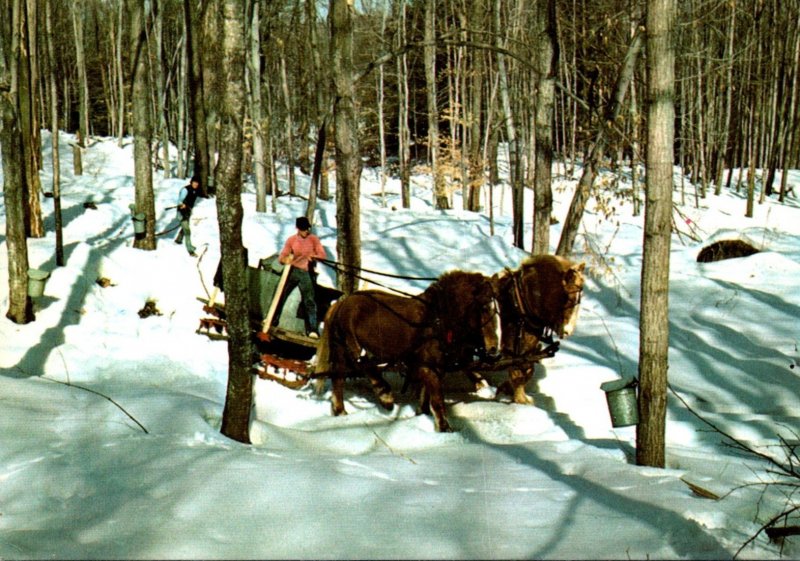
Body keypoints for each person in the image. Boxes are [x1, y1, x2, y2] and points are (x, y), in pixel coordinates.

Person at [274, 216, 327, 338]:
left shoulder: (314, 239)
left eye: (307, 229)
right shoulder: (291, 240)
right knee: (280, 294)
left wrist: (314, 256)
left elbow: (322, 255)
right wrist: (285, 259)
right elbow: (282, 256)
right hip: (292, 271)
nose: (305, 231)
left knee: (309, 300)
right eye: (303, 229)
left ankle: (312, 329)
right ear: (298, 228)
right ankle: (273, 319)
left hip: (306, 272)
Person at [175, 176, 200, 256]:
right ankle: (190, 250)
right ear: (191, 182)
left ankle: (178, 240)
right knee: (187, 231)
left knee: (185, 227)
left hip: (187, 212)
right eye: (194, 182)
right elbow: (179, 200)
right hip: (182, 213)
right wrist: (181, 204)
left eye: (197, 183)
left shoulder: (195, 190)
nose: (196, 184)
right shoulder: (185, 190)